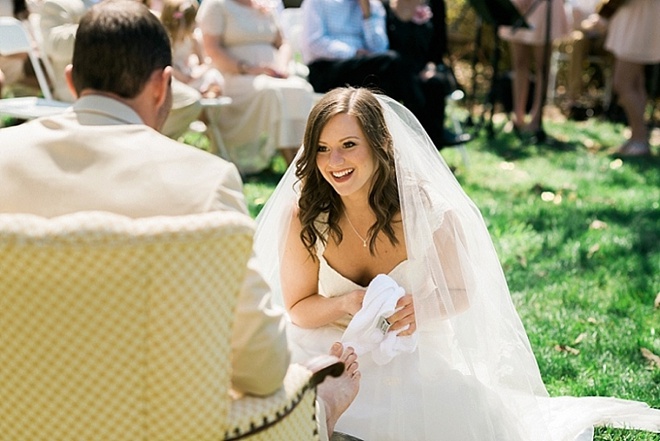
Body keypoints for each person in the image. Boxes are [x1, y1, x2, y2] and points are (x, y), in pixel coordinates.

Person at [0, 2, 359, 439]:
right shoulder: (205, 181)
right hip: (153, 422)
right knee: (317, 392)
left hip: (13, 414)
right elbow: (262, 371)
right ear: (163, 86)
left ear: (72, 80)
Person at [253, 86, 660, 440]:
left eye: (348, 145)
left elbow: (463, 292)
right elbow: (298, 308)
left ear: (379, 145)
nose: (333, 161)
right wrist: (345, 304)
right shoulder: (307, 214)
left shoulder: (427, 209)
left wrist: (422, 309)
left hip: (410, 352)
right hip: (330, 344)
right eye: (322, 148)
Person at [300, 0, 466, 149]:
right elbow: (313, 42)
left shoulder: (373, 6)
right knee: (393, 62)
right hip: (327, 69)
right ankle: (426, 133)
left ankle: (393, 151)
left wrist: (367, 13)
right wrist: (354, 52)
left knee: (409, 79)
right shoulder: (317, 2)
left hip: (364, 68)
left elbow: (379, 47)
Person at [38, 0, 202, 140]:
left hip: (131, 76)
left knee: (189, 101)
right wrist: (107, 24)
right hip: (87, 84)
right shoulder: (60, 3)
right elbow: (55, 45)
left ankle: (142, 146)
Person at [196, 0, 316, 173]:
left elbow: (283, 42)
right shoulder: (216, 5)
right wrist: (248, 68)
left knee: (301, 89)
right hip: (233, 75)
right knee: (272, 92)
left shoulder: (265, 4)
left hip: (273, 74)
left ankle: (305, 157)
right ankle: (294, 165)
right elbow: (212, 49)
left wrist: (281, 66)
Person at [382, 0, 470, 148]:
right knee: (407, 84)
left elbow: (439, 44)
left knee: (434, 83)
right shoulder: (384, 6)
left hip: (425, 67)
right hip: (396, 72)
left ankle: (434, 146)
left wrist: (431, 67)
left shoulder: (435, 4)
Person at [499, 0, 569, 138]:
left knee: (542, 67)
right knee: (519, 63)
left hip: (543, 5)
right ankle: (518, 116)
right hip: (519, 5)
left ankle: (536, 118)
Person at [604, 0, 659, 157]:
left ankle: (640, 137)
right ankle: (636, 137)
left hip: (639, 19)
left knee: (622, 83)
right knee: (636, 82)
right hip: (637, 16)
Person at [160, 0, 225, 98]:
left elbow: (204, 63)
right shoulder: (167, 40)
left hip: (189, 74)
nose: (194, 24)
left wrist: (196, 73)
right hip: (175, 75)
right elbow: (165, 64)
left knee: (213, 75)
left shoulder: (192, 39)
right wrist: (180, 76)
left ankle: (207, 92)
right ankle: (200, 94)